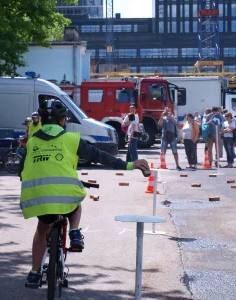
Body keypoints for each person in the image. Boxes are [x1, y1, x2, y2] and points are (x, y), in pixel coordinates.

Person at [19, 99, 150, 289]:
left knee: (42, 229)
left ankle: (34, 273)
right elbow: (99, 156)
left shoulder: (31, 142)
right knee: (75, 201)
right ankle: (74, 231)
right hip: (66, 196)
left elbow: (21, 171)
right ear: (63, 120)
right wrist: (130, 164)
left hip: (37, 197)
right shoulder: (71, 139)